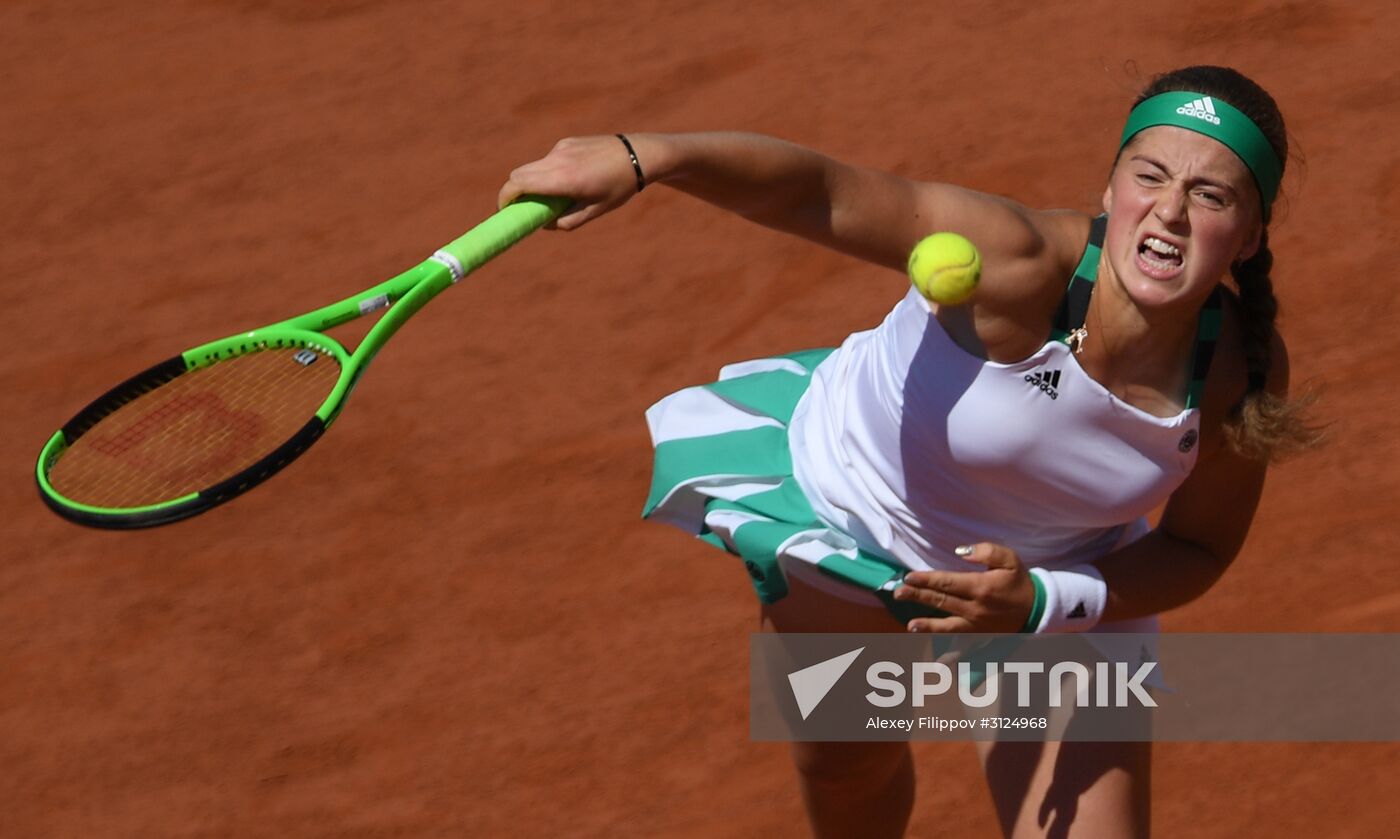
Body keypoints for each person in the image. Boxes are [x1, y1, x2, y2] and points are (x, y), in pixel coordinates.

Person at [498, 66, 1320, 838]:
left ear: (1248, 236)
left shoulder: (1239, 369)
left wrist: (1043, 599)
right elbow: (819, 192)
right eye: (1150, 176)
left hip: (1050, 583)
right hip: (854, 519)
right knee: (847, 773)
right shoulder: (1016, 261)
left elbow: (1196, 545)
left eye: (1209, 194)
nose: (1170, 211)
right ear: (1109, 189)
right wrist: (647, 158)